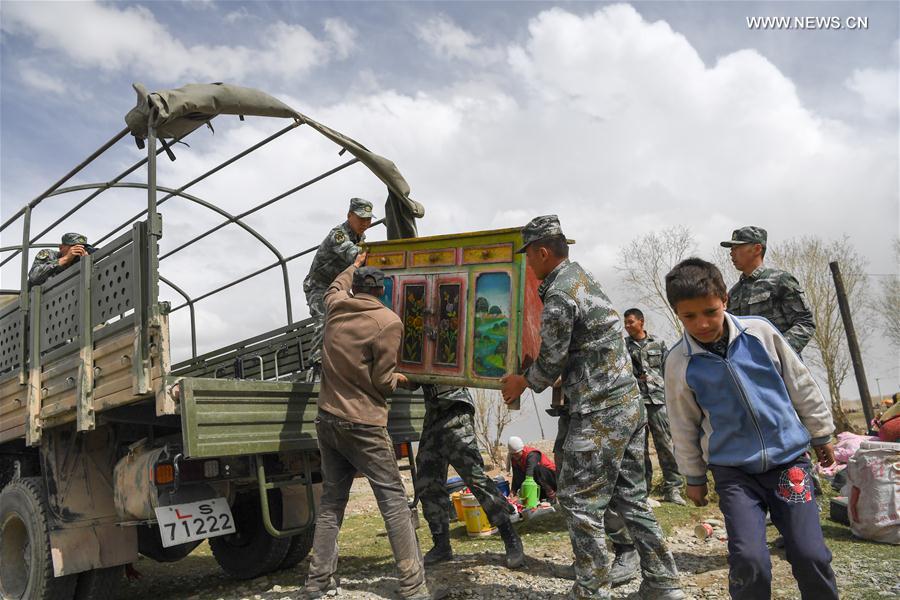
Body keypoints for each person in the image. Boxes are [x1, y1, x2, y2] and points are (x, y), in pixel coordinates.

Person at [500, 215, 683, 600]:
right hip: (628, 406)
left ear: (543, 252)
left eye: (530, 257)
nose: (529, 265)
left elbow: (550, 362)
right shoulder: (582, 278)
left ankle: (591, 589)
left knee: (580, 503)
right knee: (631, 497)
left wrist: (523, 382)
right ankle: (664, 583)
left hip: (600, 413)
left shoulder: (560, 293)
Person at [663, 257, 838, 600]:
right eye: (689, 316)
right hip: (735, 475)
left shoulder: (760, 333)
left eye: (710, 311)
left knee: (810, 553)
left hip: (789, 465)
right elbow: (682, 423)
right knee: (750, 560)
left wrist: (821, 433)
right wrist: (694, 477)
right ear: (677, 313)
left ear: (725, 299)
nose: (702, 323)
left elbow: (800, 384)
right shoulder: (679, 362)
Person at [302, 253, 430, 600]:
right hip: (364, 424)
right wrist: (404, 380)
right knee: (393, 502)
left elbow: (333, 286)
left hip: (327, 419)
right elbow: (383, 381)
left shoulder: (334, 307)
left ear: (356, 288)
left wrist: (353, 263)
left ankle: (317, 584)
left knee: (331, 504)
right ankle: (414, 588)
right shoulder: (388, 322)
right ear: (383, 291)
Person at [413, 385, 524, 568]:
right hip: (433, 413)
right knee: (427, 480)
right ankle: (441, 545)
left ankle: (510, 536)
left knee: (475, 477)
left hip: (455, 407)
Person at [302, 198, 375, 376]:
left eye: (368, 219)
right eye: (361, 219)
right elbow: (354, 256)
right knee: (325, 319)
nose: (365, 223)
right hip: (319, 286)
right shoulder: (339, 234)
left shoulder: (360, 237)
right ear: (349, 215)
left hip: (338, 287)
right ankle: (316, 366)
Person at [622, 308, 685, 505]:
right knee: (639, 449)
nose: (627, 326)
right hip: (635, 402)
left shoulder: (658, 343)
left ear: (641, 321)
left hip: (658, 400)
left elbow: (669, 370)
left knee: (666, 445)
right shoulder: (623, 347)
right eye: (625, 322)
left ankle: (673, 489)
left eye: (631, 321)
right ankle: (643, 492)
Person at [721, 226, 815, 355]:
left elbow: (805, 323)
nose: (731, 253)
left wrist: (778, 352)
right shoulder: (734, 293)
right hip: (746, 369)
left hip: (781, 370)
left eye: (737, 248)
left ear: (757, 249)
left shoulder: (779, 280)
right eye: (731, 249)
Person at [28, 232, 94, 286]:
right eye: (74, 247)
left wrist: (86, 263)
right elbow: (33, 276)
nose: (78, 250)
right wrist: (66, 258)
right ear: (61, 248)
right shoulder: (49, 254)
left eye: (82, 248)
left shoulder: (78, 261)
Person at [507, 436, 557, 502]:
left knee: (537, 470)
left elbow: (529, 477)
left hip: (550, 479)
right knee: (520, 475)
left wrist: (519, 496)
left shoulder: (532, 455)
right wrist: (513, 491)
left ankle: (551, 494)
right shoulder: (514, 458)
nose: (515, 457)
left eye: (517, 454)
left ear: (522, 450)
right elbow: (516, 476)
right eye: (513, 455)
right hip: (537, 483)